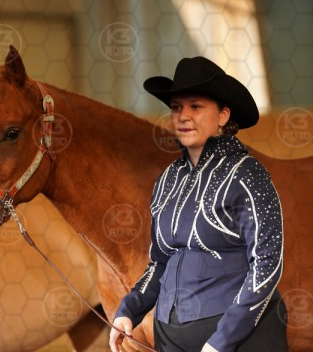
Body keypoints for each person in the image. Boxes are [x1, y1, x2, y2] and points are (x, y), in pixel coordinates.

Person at [109, 56, 287, 352]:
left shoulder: (247, 175)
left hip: (238, 340)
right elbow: (160, 261)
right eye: (176, 107)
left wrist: (221, 341)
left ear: (223, 116)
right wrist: (129, 310)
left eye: (196, 106)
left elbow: (267, 264)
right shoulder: (168, 179)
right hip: (170, 338)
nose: (183, 116)